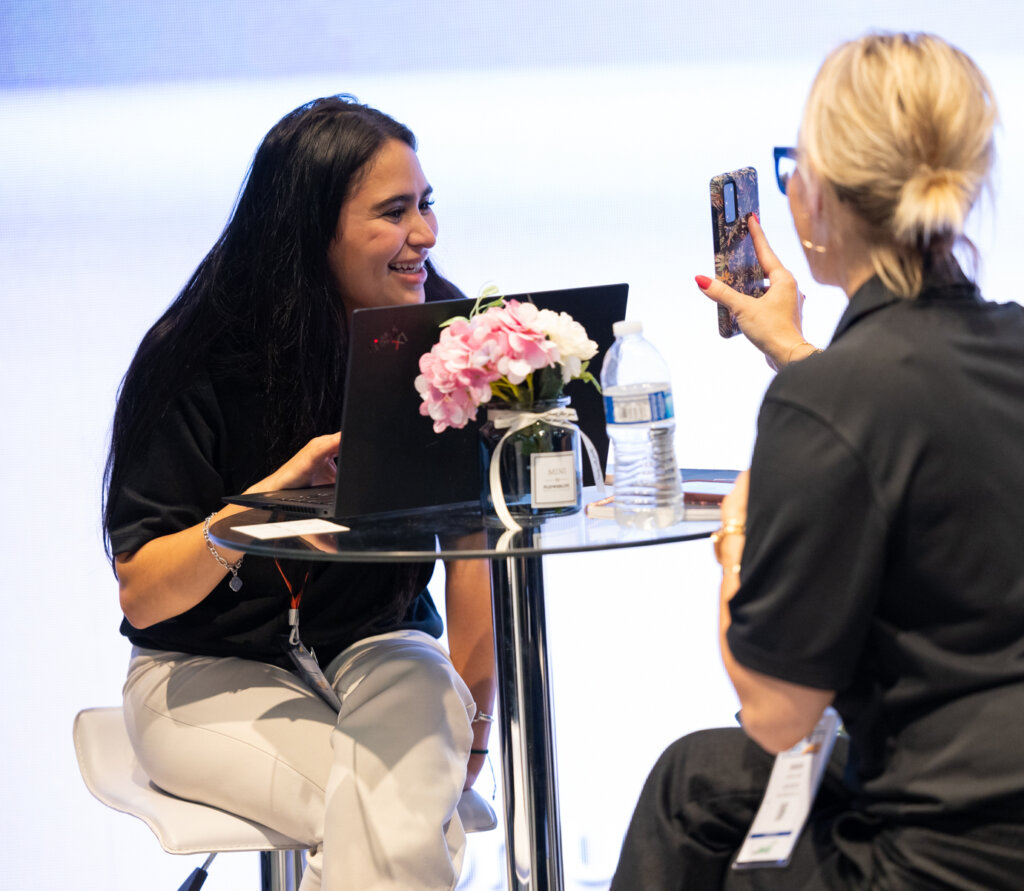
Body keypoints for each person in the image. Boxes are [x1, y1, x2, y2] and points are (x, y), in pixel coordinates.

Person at [612, 33, 1024, 890]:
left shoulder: (829, 400)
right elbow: (929, 425)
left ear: (821, 196)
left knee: (698, 792)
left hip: (937, 858)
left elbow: (775, 712)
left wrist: (736, 542)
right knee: (703, 781)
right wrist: (799, 351)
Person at [103, 95, 496, 891]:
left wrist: (475, 724)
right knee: (405, 824)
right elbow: (144, 595)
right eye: (393, 212)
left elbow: (471, 550)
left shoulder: (445, 340)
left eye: (425, 205)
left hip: (387, 648)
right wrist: (261, 502)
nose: (424, 234)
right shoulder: (198, 355)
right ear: (312, 226)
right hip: (200, 669)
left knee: (405, 779)